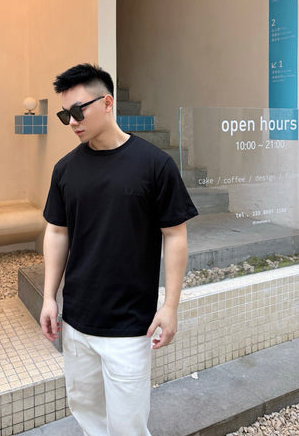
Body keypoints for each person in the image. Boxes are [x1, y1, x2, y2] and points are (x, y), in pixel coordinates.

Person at [40, 63, 198, 436]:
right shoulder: (65, 169)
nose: (71, 122)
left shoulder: (155, 165)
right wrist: (48, 297)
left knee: (128, 425)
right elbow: (57, 232)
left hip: (130, 326)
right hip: (76, 322)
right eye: (64, 115)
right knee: (87, 413)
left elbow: (175, 236)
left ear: (108, 103)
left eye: (78, 111)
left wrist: (170, 306)